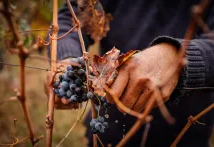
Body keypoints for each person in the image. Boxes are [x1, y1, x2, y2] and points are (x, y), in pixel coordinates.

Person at [48, 0, 214, 146]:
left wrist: (179, 58)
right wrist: (66, 57)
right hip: (107, 134)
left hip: (184, 136)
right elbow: (71, 16)